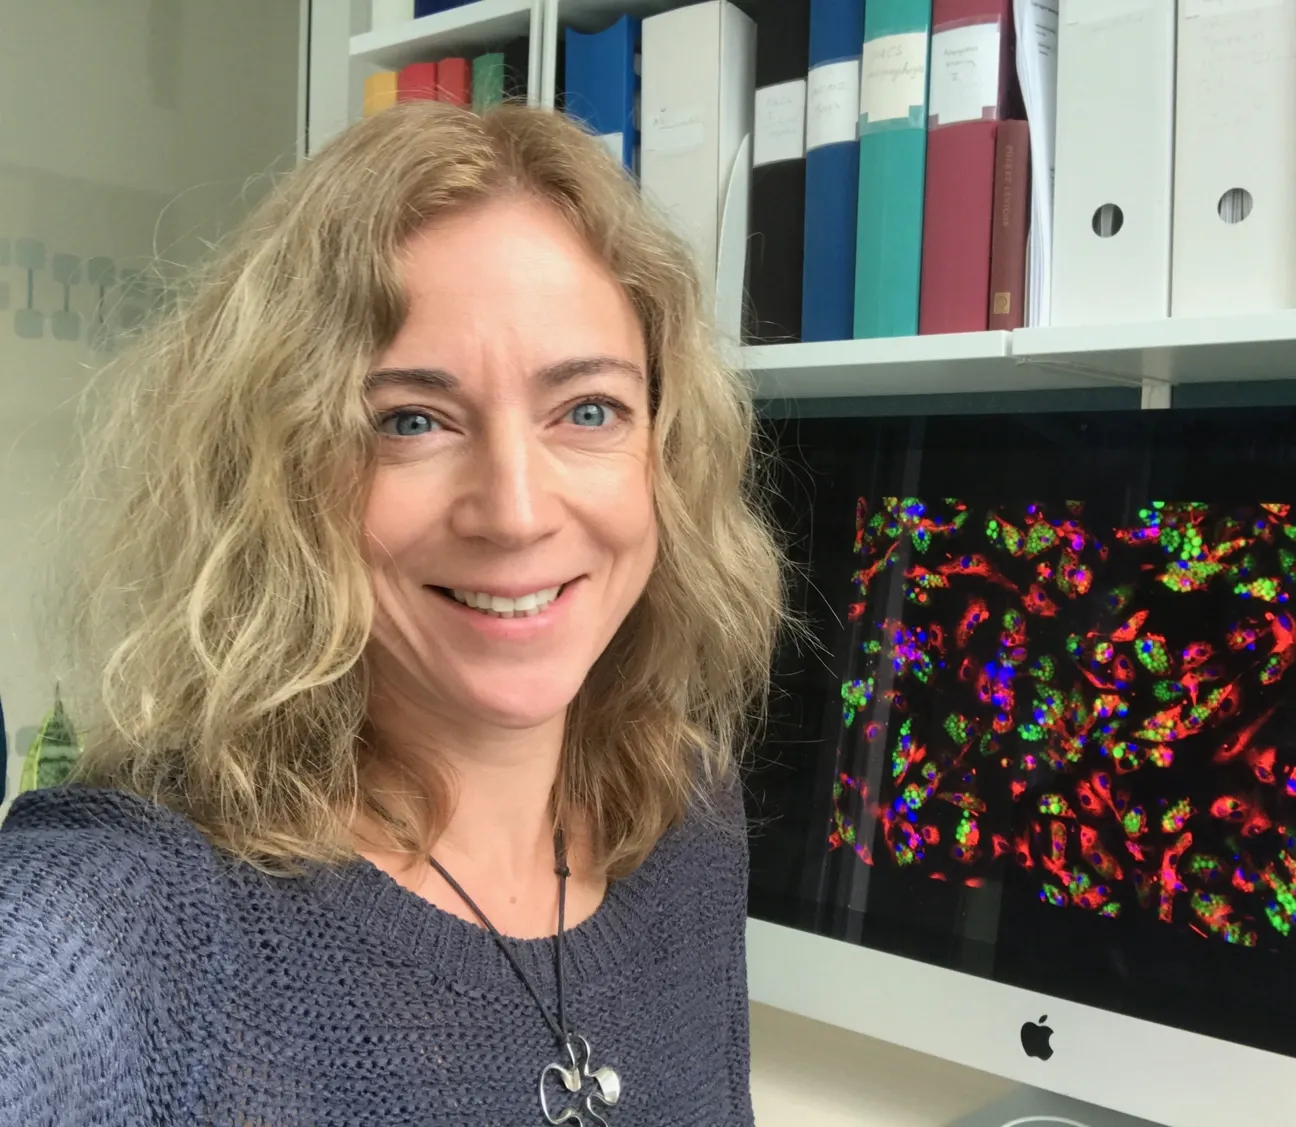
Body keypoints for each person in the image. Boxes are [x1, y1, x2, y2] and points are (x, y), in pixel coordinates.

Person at [0, 100, 783, 1125]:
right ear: (281, 476)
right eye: (411, 420)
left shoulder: (693, 816)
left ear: (666, 452)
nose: (515, 510)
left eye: (587, 409)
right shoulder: (141, 916)